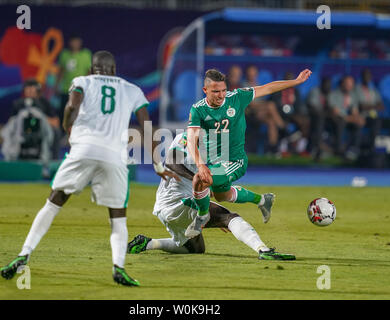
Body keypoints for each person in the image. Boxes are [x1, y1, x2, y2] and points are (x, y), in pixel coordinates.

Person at [0, 51, 179, 287]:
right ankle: (119, 267)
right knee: (117, 217)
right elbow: (146, 125)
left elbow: (71, 108)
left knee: (54, 202)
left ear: (92, 69)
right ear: (114, 70)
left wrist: (67, 128)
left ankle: (24, 253)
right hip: (114, 156)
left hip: (83, 150)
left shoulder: (82, 82)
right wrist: (157, 163)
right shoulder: (131, 89)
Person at [127, 132, 295, 260]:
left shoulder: (214, 151)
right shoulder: (185, 137)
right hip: (177, 202)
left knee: (195, 248)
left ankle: (147, 243)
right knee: (230, 217)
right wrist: (196, 177)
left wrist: (213, 214)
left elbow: (216, 191)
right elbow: (172, 162)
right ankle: (262, 250)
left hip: (173, 206)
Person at [185, 68, 312, 238]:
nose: (221, 95)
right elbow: (191, 139)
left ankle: (202, 217)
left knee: (200, 180)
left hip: (235, 161)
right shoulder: (198, 109)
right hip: (215, 163)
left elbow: (268, 88)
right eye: (216, 91)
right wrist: (201, 164)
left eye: (223, 90)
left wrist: (296, 82)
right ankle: (262, 200)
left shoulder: (237, 97)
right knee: (223, 196)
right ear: (205, 90)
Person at [11, 79, 62, 160]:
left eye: (33, 88)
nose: (30, 90)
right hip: (22, 130)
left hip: (42, 130)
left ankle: (53, 161)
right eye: (28, 88)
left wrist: (42, 118)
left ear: (38, 90)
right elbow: (11, 122)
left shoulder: (44, 102)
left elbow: (56, 122)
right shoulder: (18, 103)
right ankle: (13, 158)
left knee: (56, 132)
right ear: (24, 90)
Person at [243, 65, 286, 155]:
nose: (252, 75)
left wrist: (263, 105)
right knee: (270, 105)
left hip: (261, 111)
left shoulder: (258, 85)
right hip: (250, 113)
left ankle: (273, 149)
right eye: (250, 73)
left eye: (253, 73)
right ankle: (283, 129)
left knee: (271, 122)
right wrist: (264, 105)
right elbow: (250, 104)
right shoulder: (244, 86)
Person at [56, 34, 92, 130]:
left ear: (80, 42)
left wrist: (87, 87)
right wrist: (56, 86)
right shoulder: (64, 54)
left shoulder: (86, 54)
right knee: (64, 112)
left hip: (79, 90)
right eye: (73, 41)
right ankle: (63, 132)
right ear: (70, 42)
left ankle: (79, 132)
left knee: (79, 112)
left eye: (77, 41)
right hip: (66, 89)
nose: (75, 44)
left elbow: (89, 72)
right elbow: (61, 71)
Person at [271, 71, 310, 155]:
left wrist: (298, 115)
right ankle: (281, 148)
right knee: (280, 123)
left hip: (293, 115)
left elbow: (298, 105)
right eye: (287, 80)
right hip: (280, 114)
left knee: (305, 122)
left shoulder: (296, 92)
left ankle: (301, 148)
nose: (289, 82)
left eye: (291, 80)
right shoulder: (277, 90)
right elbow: (274, 103)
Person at [328, 75, 365, 159]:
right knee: (340, 122)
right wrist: (350, 118)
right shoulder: (334, 94)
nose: (349, 86)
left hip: (348, 119)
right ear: (342, 84)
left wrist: (357, 118)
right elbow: (335, 112)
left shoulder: (352, 95)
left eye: (351, 84)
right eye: (347, 84)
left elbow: (354, 111)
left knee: (358, 124)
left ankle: (353, 150)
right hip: (335, 119)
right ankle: (338, 150)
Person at [355, 68, 383, 156]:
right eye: (365, 76)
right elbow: (360, 106)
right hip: (360, 116)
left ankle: (371, 147)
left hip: (371, 117)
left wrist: (368, 106)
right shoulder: (356, 89)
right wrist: (374, 106)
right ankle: (356, 148)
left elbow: (381, 106)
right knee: (358, 124)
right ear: (362, 77)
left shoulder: (373, 90)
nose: (367, 78)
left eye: (368, 76)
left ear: (370, 78)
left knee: (377, 121)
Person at [306, 76, 332, 161]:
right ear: (322, 85)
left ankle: (338, 149)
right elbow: (313, 107)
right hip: (313, 117)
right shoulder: (315, 91)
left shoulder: (330, 93)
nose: (327, 87)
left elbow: (333, 108)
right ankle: (317, 150)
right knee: (319, 120)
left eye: (329, 85)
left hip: (328, 118)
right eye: (326, 85)